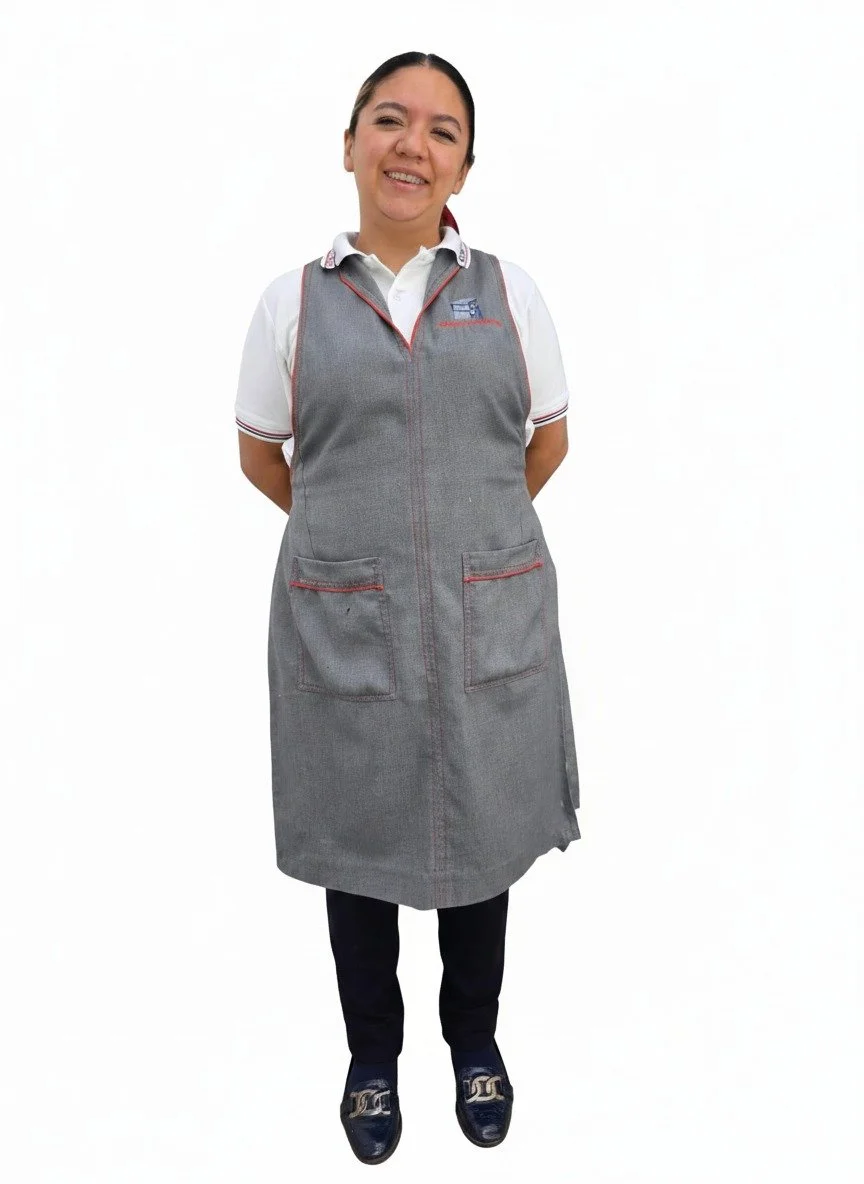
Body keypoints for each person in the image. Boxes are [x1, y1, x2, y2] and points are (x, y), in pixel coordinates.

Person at [234, 51, 582, 1164]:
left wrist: (467, 540)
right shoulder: (292, 301)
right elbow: (260, 453)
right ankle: (370, 1056)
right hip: (348, 627)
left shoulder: (507, 290)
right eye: (388, 120)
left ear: (464, 163)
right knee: (358, 846)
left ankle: (473, 1038)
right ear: (348, 145)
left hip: (487, 620)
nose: (411, 144)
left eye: (440, 130)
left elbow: (548, 440)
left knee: (481, 846)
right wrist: (362, 544)